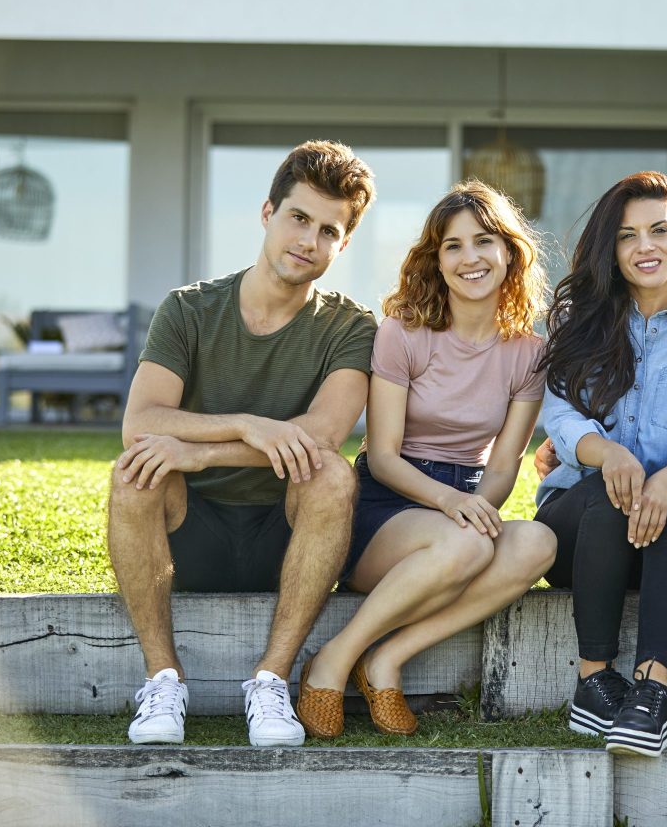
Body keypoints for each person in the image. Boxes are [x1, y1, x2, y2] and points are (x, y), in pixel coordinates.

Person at [108, 140, 378, 747]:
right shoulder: (188, 310)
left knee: (332, 474)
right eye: (298, 218)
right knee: (134, 469)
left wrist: (201, 448)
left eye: (328, 231)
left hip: (286, 537)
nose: (309, 240)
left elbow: (322, 436)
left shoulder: (351, 327)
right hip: (191, 531)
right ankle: (162, 681)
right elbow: (142, 421)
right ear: (267, 213)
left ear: (343, 243)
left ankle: (272, 680)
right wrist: (248, 425)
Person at [294, 181, 557, 739]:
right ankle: (331, 662)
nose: (470, 258)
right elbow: (383, 457)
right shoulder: (402, 334)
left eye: (483, 241)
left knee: (538, 542)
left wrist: (478, 508)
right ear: (435, 262)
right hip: (388, 505)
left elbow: (506, 461)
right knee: (464, 539)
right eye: (453, 246)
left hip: (465, 502)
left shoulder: (530, 353)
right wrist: (453, 507)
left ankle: (384, 660)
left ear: (509, 251)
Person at [534, 171, 667, 758]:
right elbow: (562, 419)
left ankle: (650, 696)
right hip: (578, 533)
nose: (644, 246)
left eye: (659, 230)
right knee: (608, 490)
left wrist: (664, 480)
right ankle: (594, 682)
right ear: (613, 249)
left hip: (660, 543)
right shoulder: (579, 323)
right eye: (628, 236)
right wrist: (612, 454)